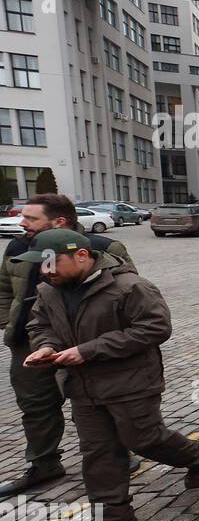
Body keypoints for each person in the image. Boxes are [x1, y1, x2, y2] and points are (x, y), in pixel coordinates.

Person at [20, 229, 199, 521]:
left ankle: (198, 455)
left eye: (52, 264)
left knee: (143, 439)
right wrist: (46, 347)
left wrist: (90, 350)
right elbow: (39, 325)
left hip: (130, 383)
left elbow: (156, 327)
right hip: (82, 387)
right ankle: (113, 515)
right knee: (97, 452)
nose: (46, 272)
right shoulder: (49, 292)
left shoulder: (128, 287)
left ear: (82, 256)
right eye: (42, 266)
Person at [0, 195, 133, 497]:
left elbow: (128, 293)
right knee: (35, 406)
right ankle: (43, 464)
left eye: (31, 218)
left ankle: (116, 456)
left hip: (85, 344)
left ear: (59, 221)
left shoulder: (102, 247)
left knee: (96, 403)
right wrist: (9, 322)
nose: (22, 223)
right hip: (30, 342)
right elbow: (5, 288)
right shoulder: (20, 247)